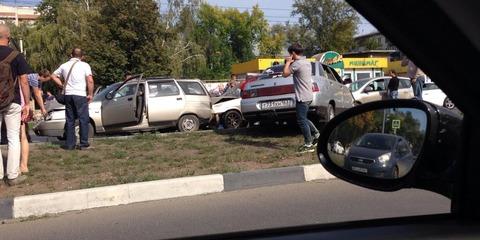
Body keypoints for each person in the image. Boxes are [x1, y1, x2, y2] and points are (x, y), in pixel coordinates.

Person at [0, 24, 31, 186]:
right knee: (13, 137)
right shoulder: (16, 55)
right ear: (8, 38)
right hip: (12, 101)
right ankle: (12, 176)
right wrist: (27, 103)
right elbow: (24, 81)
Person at [51, 48, 94, 150]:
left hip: (68, 95)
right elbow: (90, 80)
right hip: (80, 94)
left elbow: (53, 76)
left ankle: (70, 144)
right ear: (82, 56)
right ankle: (83, 143)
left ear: (71, 55)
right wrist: (90, 94)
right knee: (83, 119)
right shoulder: (85, 65)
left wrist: (62, 86)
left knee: (70, 119)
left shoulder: (64, 65)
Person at [282, 43, 320, 153]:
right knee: (303, 118)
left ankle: (308, 144)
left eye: (290, 53)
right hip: (308, 95)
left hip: (302, 96)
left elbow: (285, 74)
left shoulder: (296, 64)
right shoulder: (306, 62)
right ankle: (317, 134)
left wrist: (288, 62)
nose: (289, 55)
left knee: (301, 120)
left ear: (293, 53)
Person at [19, 69, 52, 173]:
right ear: (42, 76)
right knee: (22, 123)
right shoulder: (34, 78)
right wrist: (43, 109)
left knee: (25, 121)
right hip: (20, 100)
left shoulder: (34, 78)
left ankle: (27, 136)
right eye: (45, 80)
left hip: (20, 99)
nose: (44, 82)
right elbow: (37, 94)